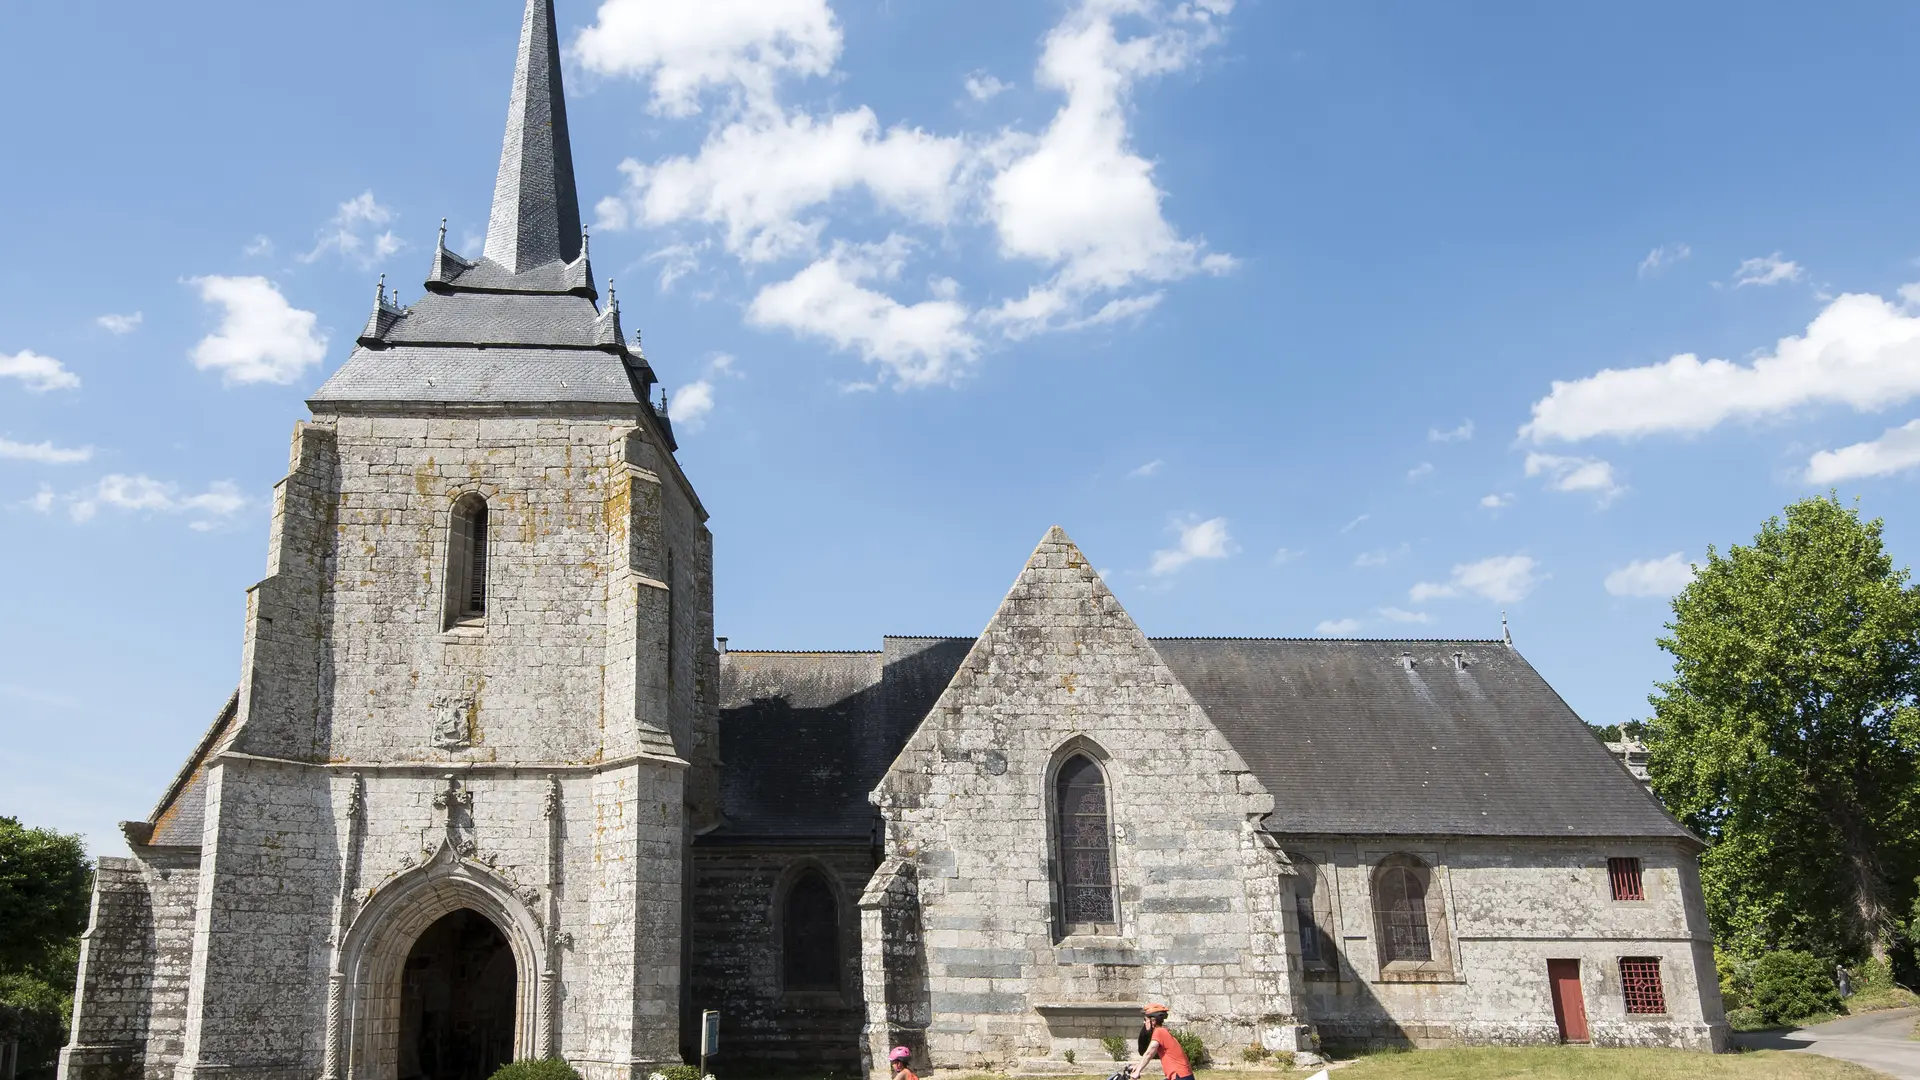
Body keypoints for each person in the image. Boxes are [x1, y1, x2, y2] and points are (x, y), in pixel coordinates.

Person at [1128, 1004, 1192, 1080]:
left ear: (1153, 1021)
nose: (1144, 1022)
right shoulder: (1161, 1031)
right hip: (1182, 1075)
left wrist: (1137, 1071)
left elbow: (1149, 1053)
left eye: (1145, 1020)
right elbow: (1151, 1054)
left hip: (1180, 1076)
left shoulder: (1159, 1032)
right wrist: (1138, 1066)